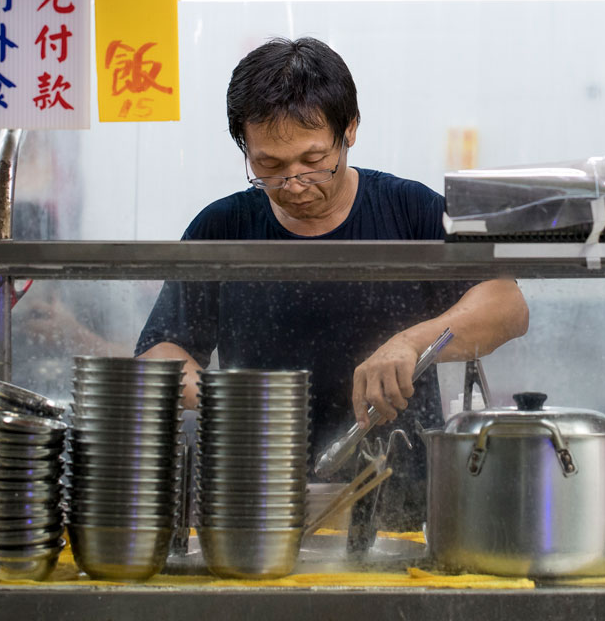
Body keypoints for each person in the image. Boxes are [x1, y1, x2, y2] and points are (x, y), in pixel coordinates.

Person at [135, 37, 528, 523]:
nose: (294, 184)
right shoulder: (223, 228)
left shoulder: (409, 211)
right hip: (258, 499)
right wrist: (231, 402)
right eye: (269, 166)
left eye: (313, 160)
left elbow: (507, 305)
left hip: (399, 499)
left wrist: (411, 342)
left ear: (350, 129)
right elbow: (159, 352)